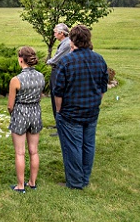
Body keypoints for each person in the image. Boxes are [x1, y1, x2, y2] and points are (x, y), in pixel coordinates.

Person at [53, 25, 108, 190]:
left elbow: (58, 92)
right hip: (91, 111)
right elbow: (102, 89)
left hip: (70, 113)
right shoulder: (99, 59)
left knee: (73, 147)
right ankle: (84, 178)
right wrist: (94, 102)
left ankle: (76, 182)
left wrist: (59, 111)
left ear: (72, 41)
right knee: (88, 145)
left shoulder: (66, 62)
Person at [7, 46, 45, 192]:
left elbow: (10, 105)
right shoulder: (41, 77)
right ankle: (32, 182)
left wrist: (13, 113)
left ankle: (20, 185)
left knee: (20, 152)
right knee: (34, 151)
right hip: (36, 111)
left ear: (21, 59)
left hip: (21, 112)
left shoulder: (16, 80)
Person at [46, 23, 71, 134]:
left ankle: (61, 125)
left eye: (56, 32)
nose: (54, 33)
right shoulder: (63, 43)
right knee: (54, 96)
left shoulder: (66, 44)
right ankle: (58, 123)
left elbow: (56, 59)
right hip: (57, 71)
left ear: (61, 33)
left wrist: (47, 62)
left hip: (58, 71)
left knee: (57, 96)